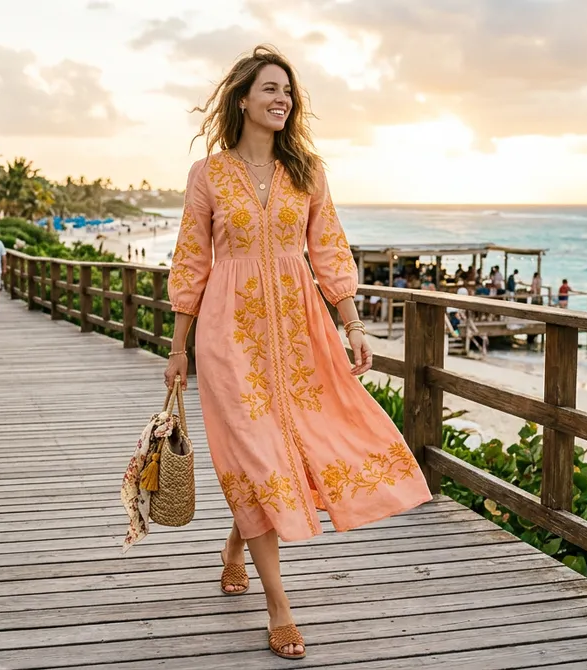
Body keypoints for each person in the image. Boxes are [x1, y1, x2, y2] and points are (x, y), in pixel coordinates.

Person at [162, 45, 431, 661]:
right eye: (270, 90)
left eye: (288, 92)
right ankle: (278, 603)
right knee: (256, 451)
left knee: (281, 450)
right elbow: (191, 260)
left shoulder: (307, 171)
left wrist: (354, 324)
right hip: (229, 334)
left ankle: (236, 548)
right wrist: (178, 346)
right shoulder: (207, 175)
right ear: (242, 100)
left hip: (299, 330)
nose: (282, 99)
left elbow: (330, 249)